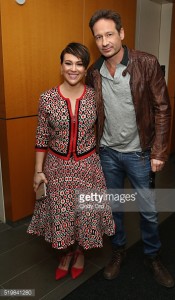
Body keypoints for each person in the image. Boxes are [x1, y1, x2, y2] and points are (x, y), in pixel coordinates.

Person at [86, 9, 175, 288]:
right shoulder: (94, 73)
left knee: (147, 210)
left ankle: (153, 256)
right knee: (114, 208)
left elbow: (162, 108)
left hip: (139, 154)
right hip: (108, 154)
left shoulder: (146, 63)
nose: (104, 41)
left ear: (122, 33)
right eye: (98, 37)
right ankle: (118, 251)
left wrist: (159, 152)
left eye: (109, 34)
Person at [27, 42, 115, 281]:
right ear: (61, 66)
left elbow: (106, 128)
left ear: (86, 69)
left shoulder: (95, 98)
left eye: (79, 64)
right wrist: (38, 171)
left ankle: (79, 254)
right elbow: (41, 136)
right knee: (63, 214)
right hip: (57, 167)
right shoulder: (47, 98)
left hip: (88, 167)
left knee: (85, 215)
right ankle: (65, 254)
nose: (73, 69)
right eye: (68, 63)